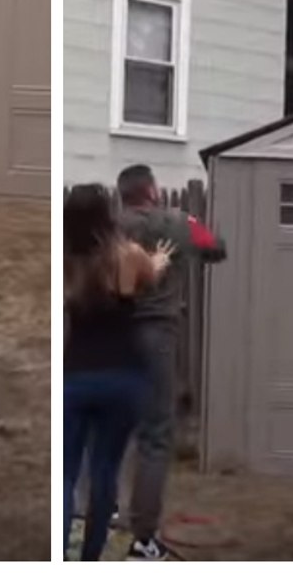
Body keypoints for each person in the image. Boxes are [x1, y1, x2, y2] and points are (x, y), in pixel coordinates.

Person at [116, 164, 227, 561]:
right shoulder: (178, 222)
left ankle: (106, 509)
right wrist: (190, 224)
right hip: (155, 339)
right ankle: (143, 540)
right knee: (156, 435)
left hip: (109, 340)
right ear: (153, 191)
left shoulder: (109, 226)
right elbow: (217, 247)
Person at [63, 183, 173, 562]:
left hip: (75, 378)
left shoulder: (65, 261)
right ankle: (90, 557)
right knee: (105, 471)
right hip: (124, 377)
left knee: (67, 473)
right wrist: (160, 259)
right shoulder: (126, 254)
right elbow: (153, 274)